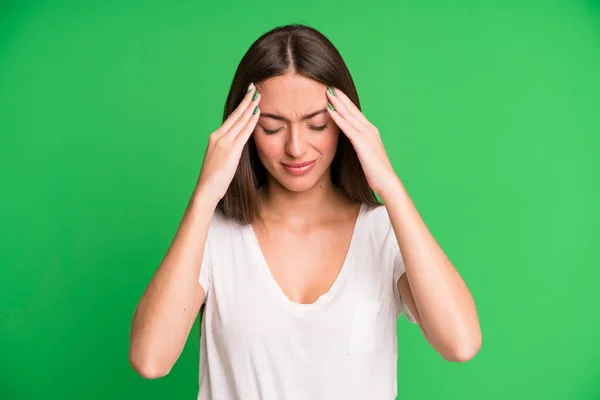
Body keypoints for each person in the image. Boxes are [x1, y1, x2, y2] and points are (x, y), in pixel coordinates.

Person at [129, 23, 481, 400]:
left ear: (346, 124)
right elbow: (151, 360)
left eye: (317, 124)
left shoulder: (382, 232)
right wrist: (204, 196)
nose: (296, 148)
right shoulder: (215, 236)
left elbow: (460, 344)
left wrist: (390, 187)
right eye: (272, 127)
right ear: (243, 128)